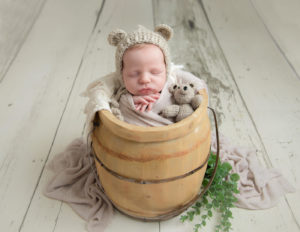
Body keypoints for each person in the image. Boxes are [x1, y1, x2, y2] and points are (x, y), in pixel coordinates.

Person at [82, 24, 208, 130]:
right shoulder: (122, 96)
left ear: (166, 70)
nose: (145, 80)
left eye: (155, 72)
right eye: (134, 74)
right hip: (136, 145)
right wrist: (129, 104)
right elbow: (115, 115)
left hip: (177, 137)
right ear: (122, 75)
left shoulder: (172, 84)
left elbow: (197, 85)